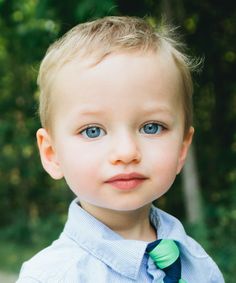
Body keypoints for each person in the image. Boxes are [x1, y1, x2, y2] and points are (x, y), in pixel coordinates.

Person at [17, 16, 224, 282]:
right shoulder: (50, 276)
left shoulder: (197, 263)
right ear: (51, 154)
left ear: (183, 147)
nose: (126, 153)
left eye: (151, 127)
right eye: (93, 131)